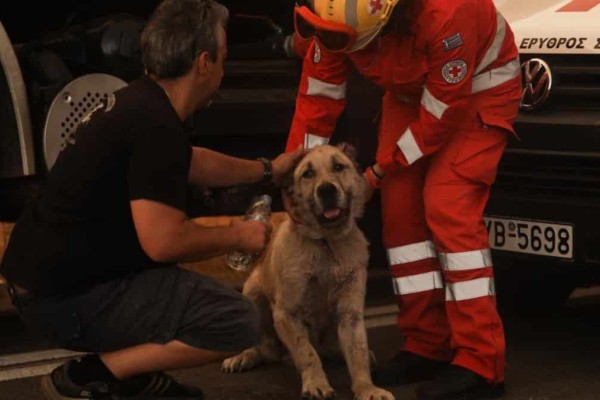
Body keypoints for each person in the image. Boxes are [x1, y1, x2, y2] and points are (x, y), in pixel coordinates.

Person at [0, 0, 303, 399]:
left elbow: (190, 161)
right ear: (203, 64)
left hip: (42, 284)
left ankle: (134, 376)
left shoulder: (140, 102)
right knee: (236, 319)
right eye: (224, 59)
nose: (224, 70)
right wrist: (238, 235)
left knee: (171, 286)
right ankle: (94, 375)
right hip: (60, 302)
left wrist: (268, 169)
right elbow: (163, 242)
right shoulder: (155, 127)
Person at [285, 0, 522, 399]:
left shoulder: (450, 14)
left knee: (447, 207)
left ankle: (481, 362)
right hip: (412, 93)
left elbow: (442, 112)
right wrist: (296, 184)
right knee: (400, 214)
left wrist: (383, 167)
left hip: (478, 90)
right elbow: (317, 100)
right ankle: (427, 344)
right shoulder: (336, 16)